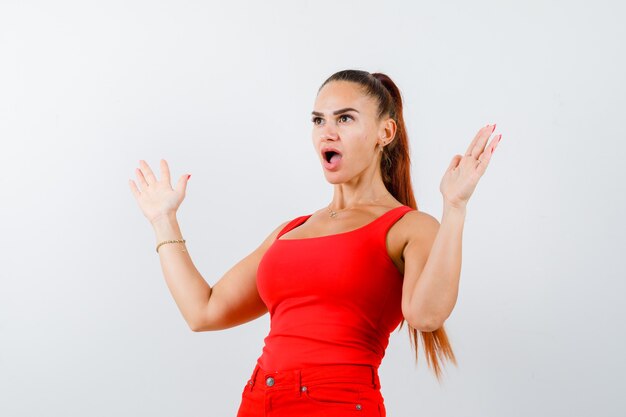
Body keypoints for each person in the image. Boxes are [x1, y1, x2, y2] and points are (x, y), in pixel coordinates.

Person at [128, 69, 502, 416]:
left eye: (345, 118)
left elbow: (426, 315)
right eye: (318, 120)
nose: (327, 132)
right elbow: (203, 312)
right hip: (258, 401)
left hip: (337, 402)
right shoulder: (291, 230)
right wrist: (164, 220)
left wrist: (454, 207)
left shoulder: (409, 227)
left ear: (384, 133)